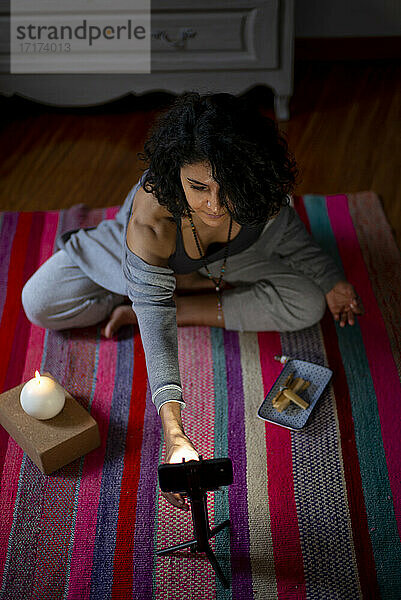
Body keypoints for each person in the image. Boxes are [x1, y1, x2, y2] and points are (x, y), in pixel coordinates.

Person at [22, 92, 363, 511]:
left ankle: (172, 297)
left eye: (228, 188)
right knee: (40, 301)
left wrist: (333, 281)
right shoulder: (153, 215)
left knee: (309, 303)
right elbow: (157, 336)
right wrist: (174, 431)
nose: (215, 206)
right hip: (146, 253)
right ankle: (154, 286)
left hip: (232, 263)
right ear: (175, 173)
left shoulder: (262, 194)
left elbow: (298, 247)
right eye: (198, 187)